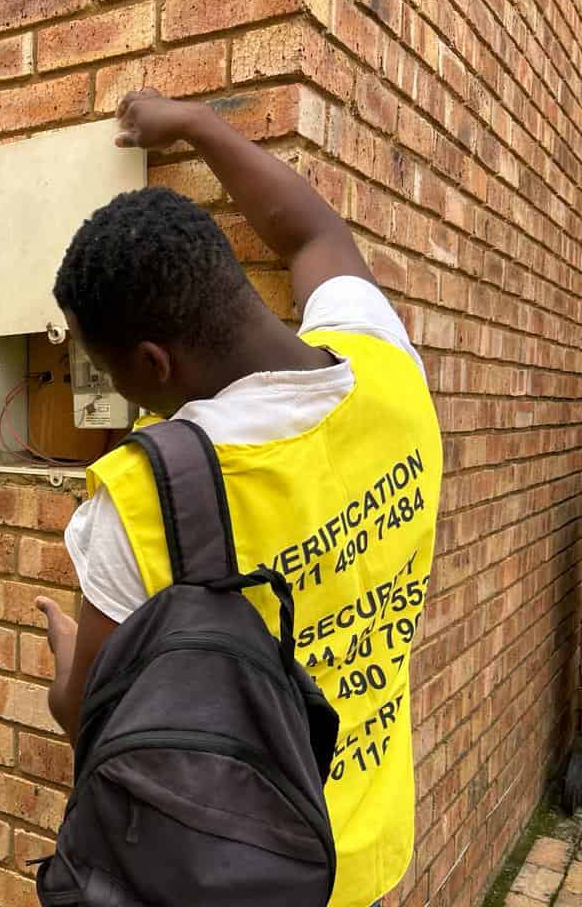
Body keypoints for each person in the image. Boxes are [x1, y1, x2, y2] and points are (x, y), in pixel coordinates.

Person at [37, 89, 442, 907]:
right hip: (364, 853)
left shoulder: (143, 498)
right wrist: (195, 124)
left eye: (110, 374)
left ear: (152, 364)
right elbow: (313, 235)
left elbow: (95, 722)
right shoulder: (388, 365)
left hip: (234, 874)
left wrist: (63, 669)